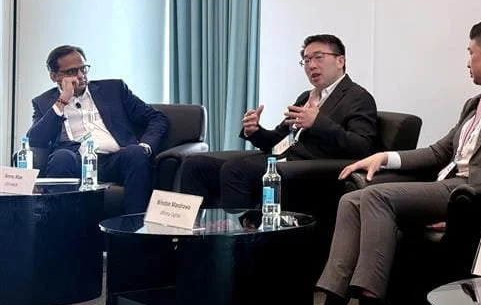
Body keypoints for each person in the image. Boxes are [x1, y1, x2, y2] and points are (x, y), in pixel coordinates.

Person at [313, 21, 481, 305]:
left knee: (375, 196)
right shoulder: (474, 104)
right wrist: (384, 157)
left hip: (470, 193)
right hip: (448, 187)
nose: (467, 62)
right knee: (352, 199)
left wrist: (473, 207)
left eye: (471, 53)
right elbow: (440, 152)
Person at [179, 34, 378, 207]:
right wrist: (255, 131)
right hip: (280, 160)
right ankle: (195, 239)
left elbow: (361, 147)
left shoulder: (357, 97)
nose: (311, 65)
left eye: (318, 57)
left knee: (236, 170)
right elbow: (278, 141)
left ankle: (237, 246)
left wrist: (318, 122)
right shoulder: (305, 97)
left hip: (311, 170)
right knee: (195, 165)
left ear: (340, 61)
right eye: (306, 60)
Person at [28, 45, 169, 214]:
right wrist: (63, 100)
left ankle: (134, 227)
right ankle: (61, 230)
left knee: (136, 153)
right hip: (76, 161)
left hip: (115, 158)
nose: (81, 76)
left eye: (83, 69)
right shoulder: (43, 102)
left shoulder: (114, 89)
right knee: (61, 157)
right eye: (72, 72)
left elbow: (157, 118)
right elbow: (36, 139)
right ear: (55, 76)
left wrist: (145, 145)